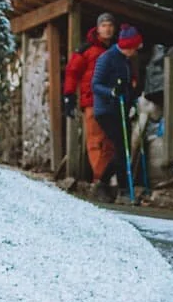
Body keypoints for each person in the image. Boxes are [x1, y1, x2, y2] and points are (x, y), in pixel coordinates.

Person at [89, 25, 147, 200]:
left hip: (121, 108)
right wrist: (112, 92)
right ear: (127, 46)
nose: (136, 51)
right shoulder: (106, 58)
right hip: (106, 110)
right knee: (122, 149)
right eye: (134, 47)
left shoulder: (126, 60)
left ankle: (106, 185)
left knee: (124, 149)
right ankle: (120, 189)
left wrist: (132, 96)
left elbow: (126, 84)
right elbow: (95, 85)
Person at [62, 14, 117, 179]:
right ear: (98, 29)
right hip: (92, 101)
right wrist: (69, 95)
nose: (107, 29)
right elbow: (72, 72)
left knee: (110, 142)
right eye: (104, 25)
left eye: (110, 25)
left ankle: (105, 179)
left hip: (112, 101)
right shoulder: (86, 50)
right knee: (96, 141)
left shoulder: (117, 50)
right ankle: (100, 179)